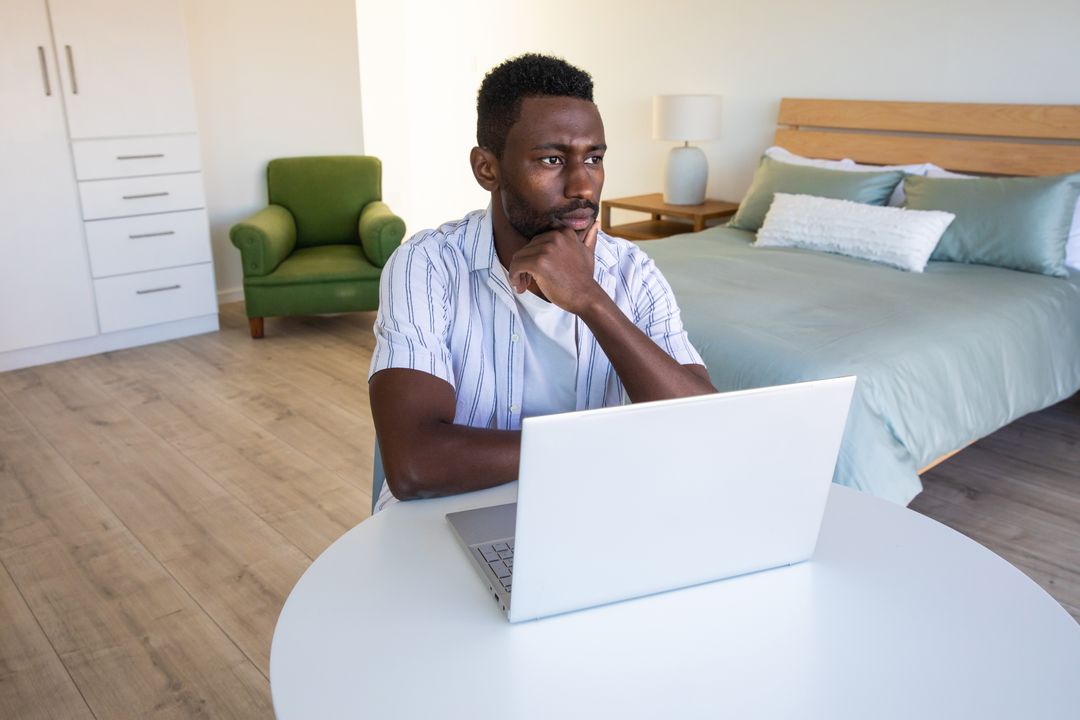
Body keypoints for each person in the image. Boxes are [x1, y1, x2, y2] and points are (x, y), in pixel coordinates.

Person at [368, 53, 714, 510]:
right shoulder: (426, 265)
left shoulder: (634, 271)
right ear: (486, 169)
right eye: (552, 159)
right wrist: (602, 447)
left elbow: (706, 428)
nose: (583, 187)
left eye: (594, 158)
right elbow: (414, 464)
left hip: (597, 512)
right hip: (451, 513)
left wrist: (591, 300)